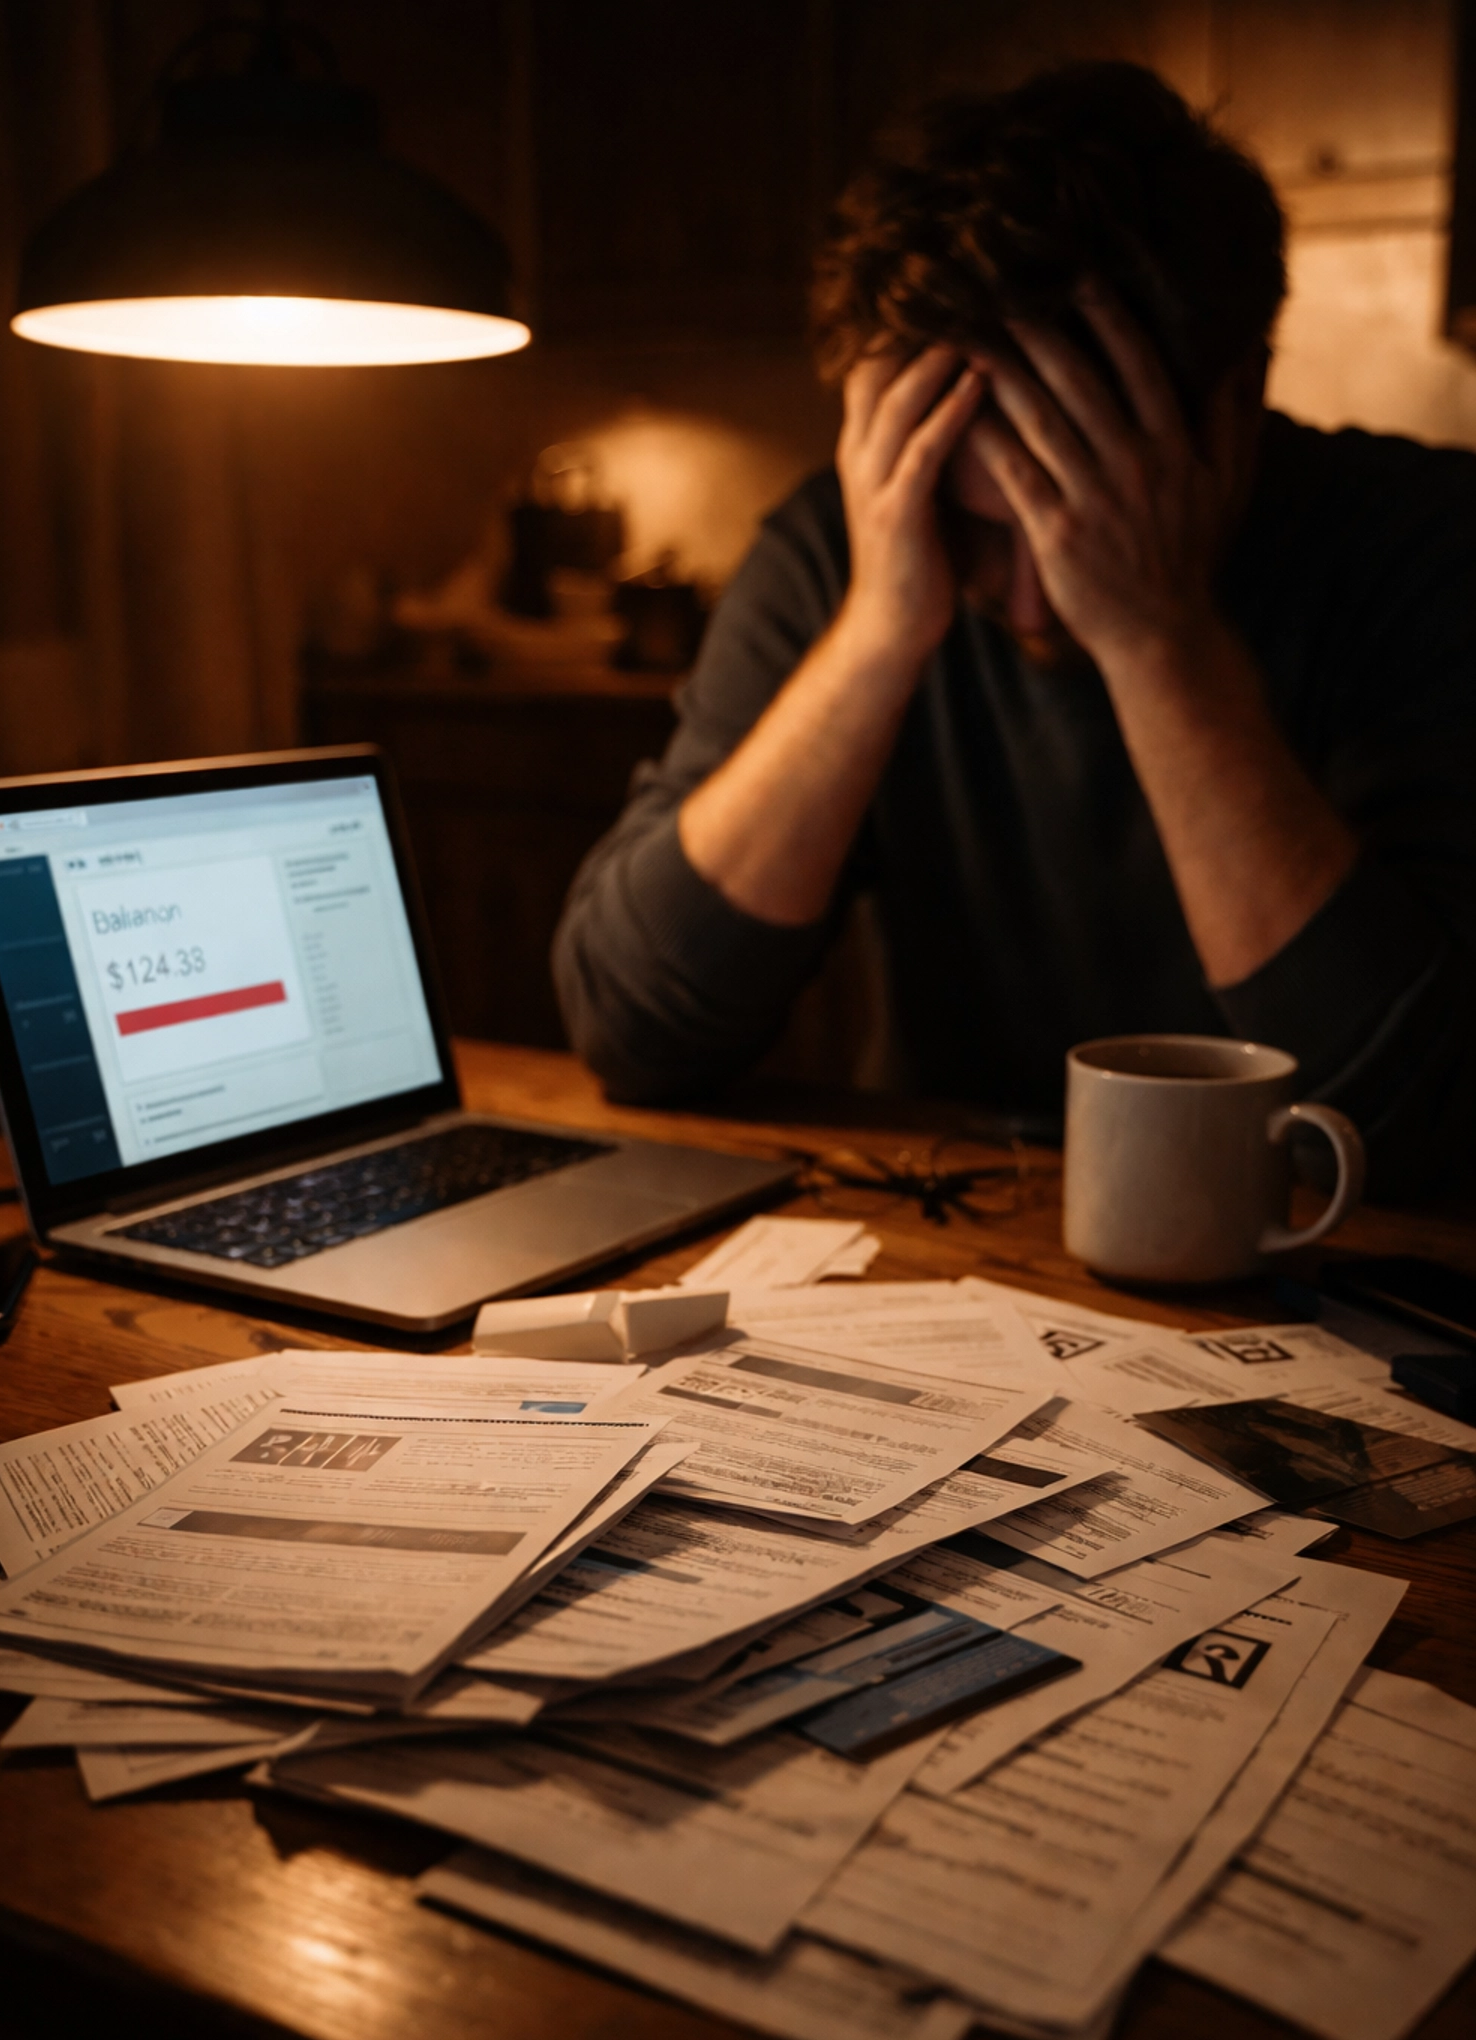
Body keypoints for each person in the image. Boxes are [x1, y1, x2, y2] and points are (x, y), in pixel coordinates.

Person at [552, 62, 1476, 1199]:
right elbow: (636, 1032)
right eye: (977, 526)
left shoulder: (1429, 549)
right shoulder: (847, 546)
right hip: (950, 1231)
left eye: (1090, 519)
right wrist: (881, 634)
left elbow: (1426, 1124)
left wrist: (1156, 640)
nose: (1036, 601)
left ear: (1240, 397)